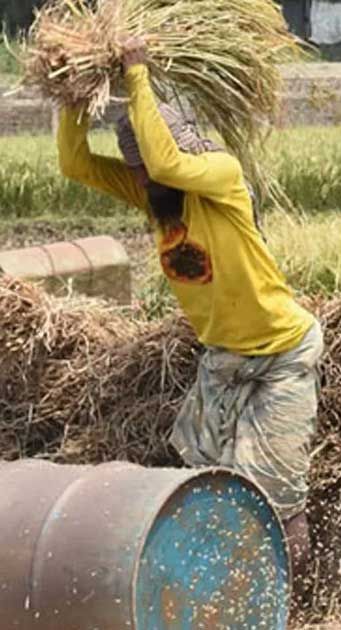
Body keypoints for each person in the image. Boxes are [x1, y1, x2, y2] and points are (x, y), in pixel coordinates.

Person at [57, 37, 323, 573]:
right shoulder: (153, 196)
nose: (142, 179)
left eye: (147, 170)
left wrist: (136, 74)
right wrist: (72, 96)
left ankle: (290, 602)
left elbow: (164, 160)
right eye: (136, 172)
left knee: (269, 500)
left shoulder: (219, 178)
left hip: (281, 357)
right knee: (199, 487)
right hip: (223, 362)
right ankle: (216, 590)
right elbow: (75, 164)